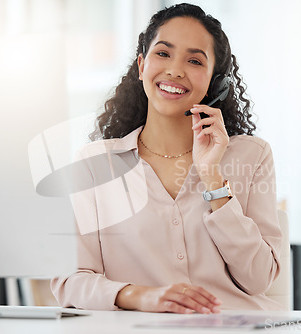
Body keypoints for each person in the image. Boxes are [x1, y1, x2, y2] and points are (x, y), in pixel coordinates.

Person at [51, 3, 283, 314]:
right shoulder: (95, 166)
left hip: (237, 326)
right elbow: (71, 281)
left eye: (194, 60)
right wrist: (142, 296)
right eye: (163, 53)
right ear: (141, 64)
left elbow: (259, 278)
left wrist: (212, 178)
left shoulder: (252, 155)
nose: (175, 70)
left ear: (215, 81)